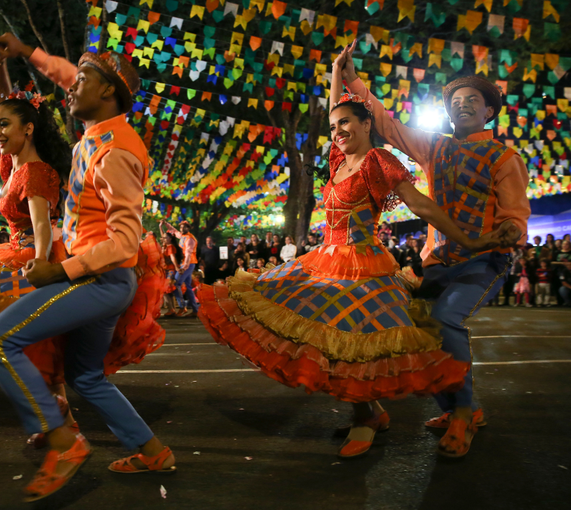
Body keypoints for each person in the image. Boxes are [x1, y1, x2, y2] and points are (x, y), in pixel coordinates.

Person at [198, 53, 511, 461]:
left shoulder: (379, 160)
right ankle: (370, 413)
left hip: (363, 266)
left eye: (348, 122)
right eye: (333, 126)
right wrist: (333, 75)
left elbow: (424, 207)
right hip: (323, 260)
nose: (339, 130)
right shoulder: (337, 159)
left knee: (352, 344)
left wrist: (471, 241)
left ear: (367, 124)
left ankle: (373, 417)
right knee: (327, 340)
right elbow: (335, 112)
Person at [0, 34, 175, 501]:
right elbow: (67, 74)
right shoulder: (99, 130)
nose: (70, 86)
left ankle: (62, 442)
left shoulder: (116, 152)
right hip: (100, 279)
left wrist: (62, 270)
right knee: (85, 376)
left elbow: (126, 241)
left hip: (99, 279)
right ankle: (152, 450)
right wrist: (25, 53)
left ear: (108, 91)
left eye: (83, 79)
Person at [340, 41, 530, 456]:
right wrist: (352, 79)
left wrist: (509, 232)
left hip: (483, 260)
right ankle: (460, 407)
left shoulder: (504, 158)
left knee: (445, 318)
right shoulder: (435, 147)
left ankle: (463, 416)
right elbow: (387, 126)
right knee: (419, 333)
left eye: (472, 100)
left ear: (488, 111)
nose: (462, 106)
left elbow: (516, 215)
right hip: (437, 262)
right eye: (456, 101)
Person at [162, 220, 199, 317]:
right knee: (188, 287)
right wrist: (165, 224)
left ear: (188, 228)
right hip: (186, 264)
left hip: (188, 263)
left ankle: (183, 307)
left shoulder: (190, 239)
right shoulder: (183, 236)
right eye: (181, 227)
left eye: (184, 227)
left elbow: (188, 255)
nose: (182, 229)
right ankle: (195, 310)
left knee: (175, 284)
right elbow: (173, 231)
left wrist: (184, 267)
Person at [159, 230, 182, 317]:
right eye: (163, 237)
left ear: (170, 238)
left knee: (166, 290)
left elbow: (172, 258)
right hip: (165, 270)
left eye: (166, 237)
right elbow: (164, 236)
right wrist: (160, 227)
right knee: (167, 291)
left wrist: (176, 267)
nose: (164, 239)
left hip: (170, 270)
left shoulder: (170, 247)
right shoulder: (166, 245)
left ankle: (172, 309)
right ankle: (171, 309)